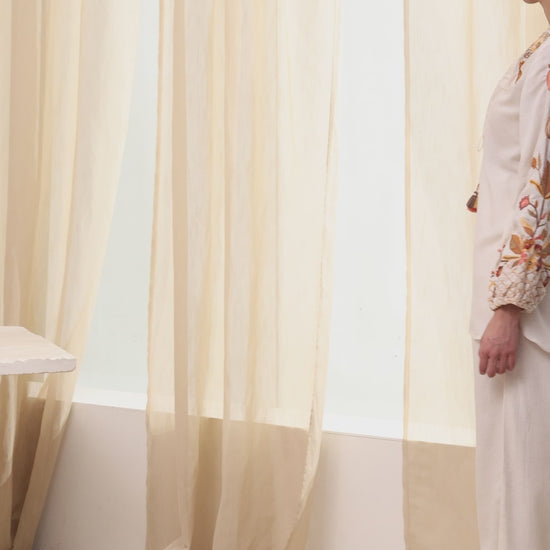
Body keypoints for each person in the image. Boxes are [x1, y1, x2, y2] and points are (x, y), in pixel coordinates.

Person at [470, 1, 550, 548]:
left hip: (524, 316)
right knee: (511, 481)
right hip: (511, 299)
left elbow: (544, 184)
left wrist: (508, 307)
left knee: (520, 485)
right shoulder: (541, 48)